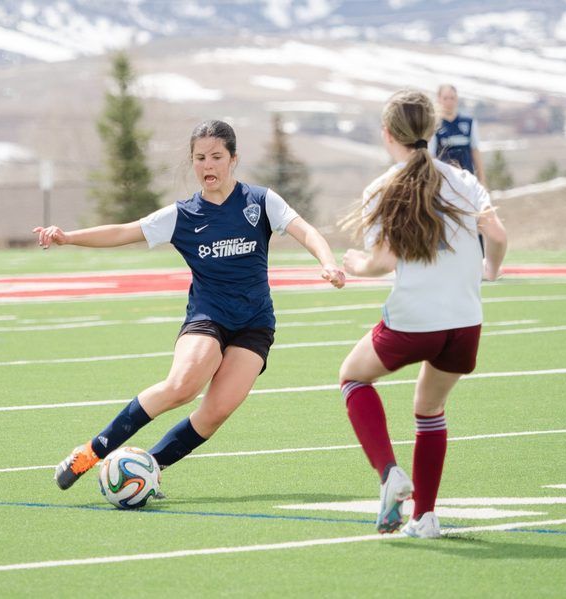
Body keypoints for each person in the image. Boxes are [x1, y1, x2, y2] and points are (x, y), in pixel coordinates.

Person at [33, 119, 346, 495]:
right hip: (207, 317)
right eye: (200, 158)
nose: (207, 165)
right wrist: (69, 238)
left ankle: (148, 469)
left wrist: (327, 261)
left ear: (233, 159)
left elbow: (306, 230)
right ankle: (90, 452)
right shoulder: (182, 214)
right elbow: (125, 231)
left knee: (215, 413)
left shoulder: (261, 202)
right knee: (182, 387)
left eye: (216, 157)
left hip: (255, 324)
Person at [339, 90, 507, 538]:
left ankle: (390, 475)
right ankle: (425, 517)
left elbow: (382, 261)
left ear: (388, 133)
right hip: (466, 323)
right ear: (431, 131)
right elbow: (496, 230)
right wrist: (491, 267)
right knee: (430, 409)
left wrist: (356, 265)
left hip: (415, 320)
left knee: (353, 378)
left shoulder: (383, 186)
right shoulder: (462, 179)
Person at [429, 84, 487, 187]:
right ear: (439, 99)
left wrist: (482, 180)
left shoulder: (468, 122)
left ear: (457, 99)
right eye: (445, 98)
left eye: (452, 98)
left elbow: (475, 151)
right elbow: (431, 156)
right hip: (444, 183)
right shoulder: (434, 125)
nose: (449, 102)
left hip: (467, 182)